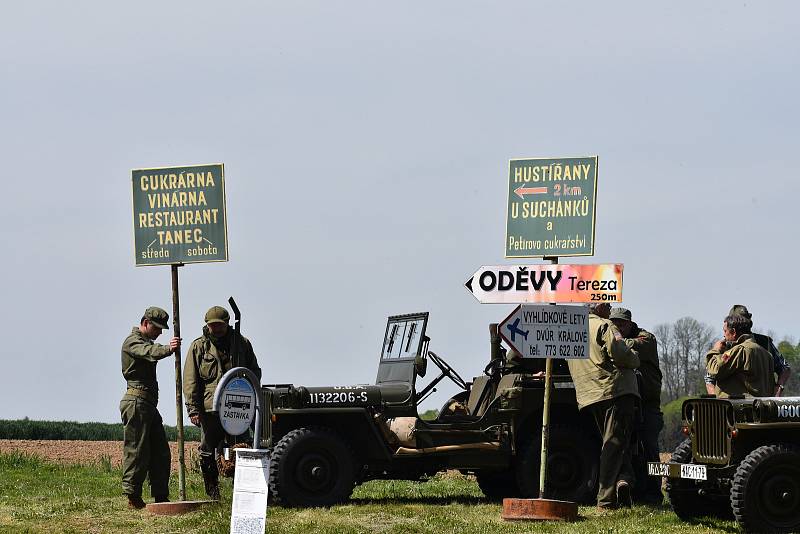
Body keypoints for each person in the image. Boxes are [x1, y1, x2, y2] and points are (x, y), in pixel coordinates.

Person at [183, 305, 262, 500]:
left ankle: (239, 493)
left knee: (237, 448)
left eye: (219, 325)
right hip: (211, 409)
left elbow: (254, 372)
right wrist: (193, 409)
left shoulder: (242, 343)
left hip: (238, 408)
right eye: (212, 326)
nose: (216, 329)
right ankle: (213, 493)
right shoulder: (198, 347)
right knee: (208, 451)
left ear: (227, 323)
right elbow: (190, 380)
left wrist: (250, 398)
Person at [567, 302, 640, 510]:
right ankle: (606, 500)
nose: (610, 310)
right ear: (597, 307)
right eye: (607, 305)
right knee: (614, 444)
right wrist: (635, 359)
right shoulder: (605, 326)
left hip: (589, 394)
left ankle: (624, 480)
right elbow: (621, 354)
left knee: (613, 442)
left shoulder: (573, 328)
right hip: (614, 390)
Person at [120, 306, 181, 509]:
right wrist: (168, 349)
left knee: (160, 451)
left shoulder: (145, 341)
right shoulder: (133, 342)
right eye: (157, 328)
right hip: (137, 403)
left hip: (148, 404)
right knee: (137, 450)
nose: (159, 333)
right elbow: (148, 352)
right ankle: (133, 496)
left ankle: (161, 495)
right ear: (146, 323)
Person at [610, 307, 663, 505]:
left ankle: (654, 494)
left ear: (630, 324)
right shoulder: (614, 339)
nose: (619, 327)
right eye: (614, 324)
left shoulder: (646, 338)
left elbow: (629, 346)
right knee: (626, 448)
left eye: (622, 324)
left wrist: (615, 339)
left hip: (648, 404)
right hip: (627, 401)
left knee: (650, 448)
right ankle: (633, 491)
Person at [705, 304, 791, 396]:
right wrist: (714, 399)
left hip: (745, 404)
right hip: (740, 404)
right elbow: (710, 377)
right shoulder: (726, 345)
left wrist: (778, 388)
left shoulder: (763, 343)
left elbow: (784, 368)